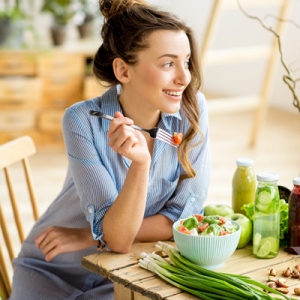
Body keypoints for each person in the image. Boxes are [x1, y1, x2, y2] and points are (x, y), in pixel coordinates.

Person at [10, 0, 210, 299]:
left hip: (125, 270)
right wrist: (140, 167)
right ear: (123, 71)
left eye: (186, 61)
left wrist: (90, 235)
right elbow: (118, 237)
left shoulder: (193, 112)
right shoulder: (82, 120)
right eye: (168, 63)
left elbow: (183, 218)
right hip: (52, 267)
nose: (185, 77)